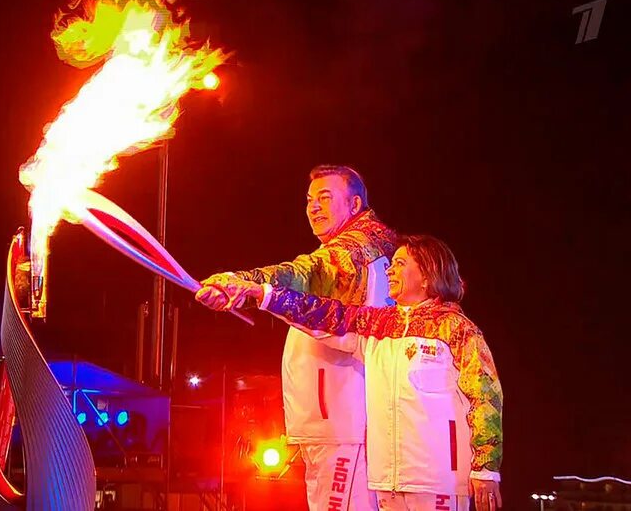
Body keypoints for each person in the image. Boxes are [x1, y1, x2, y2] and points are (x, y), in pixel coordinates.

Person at [215, 235, 504, 511]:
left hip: (438, 483)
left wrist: (486, 469)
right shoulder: (377, 325)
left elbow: (485, 398)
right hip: (387, 481)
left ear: (428, 275)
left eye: (401, 263)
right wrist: (262, 294)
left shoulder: (457, 329)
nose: (391, 269)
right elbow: (321, 313)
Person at [196, 165, 397, 511]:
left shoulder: (358, 251)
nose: (313, 207)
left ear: (354, 204)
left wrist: (246, 283)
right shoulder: (351, 250)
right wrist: (243, 290)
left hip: (346, 426)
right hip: (329, 425)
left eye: (325, 197)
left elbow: (305, 274)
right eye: (309, 200)